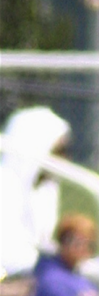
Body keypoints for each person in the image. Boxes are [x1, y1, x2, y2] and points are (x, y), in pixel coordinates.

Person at [0, 104, 69, 286]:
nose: (65, 159)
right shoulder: (5, 187)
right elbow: (8, 259)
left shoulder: (45, 190)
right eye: (58, 151)